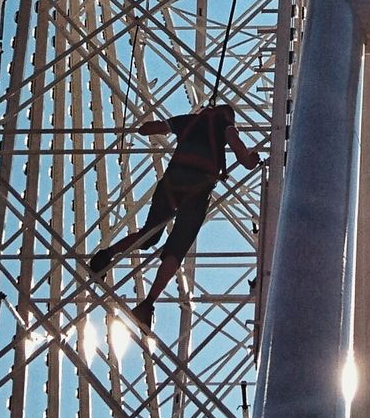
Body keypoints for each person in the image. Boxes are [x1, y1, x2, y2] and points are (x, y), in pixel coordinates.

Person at [88, 100, 261, 332]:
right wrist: (252, 160)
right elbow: (242, 155)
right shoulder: (226, 127)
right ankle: (147, 304)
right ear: (228, 116)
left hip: (171, 183)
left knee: (148, 235)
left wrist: (150, 126)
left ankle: (105, 256)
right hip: (198, 191)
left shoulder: (189, 121)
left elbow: (148, 129)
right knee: (176, 249)